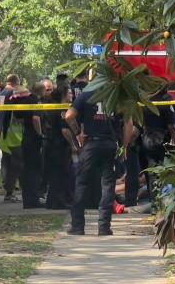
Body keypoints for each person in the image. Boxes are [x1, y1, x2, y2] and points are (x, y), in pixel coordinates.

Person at [66, 88, 133, 236]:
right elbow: (129, 124)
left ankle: (77, 226)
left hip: (90, 144)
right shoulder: (117, 95)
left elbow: (68, 115)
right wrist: (124, 147)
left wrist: (78, 133)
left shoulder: (86, 95)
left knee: (82, 183)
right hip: (109, 145)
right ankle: (104, 226)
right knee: (108, 186)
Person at [6, 83, 44, 208]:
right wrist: (40, 134)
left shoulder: (26, 101)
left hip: (26, 137)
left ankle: (28, 200)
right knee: (33, 170)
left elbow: (20, 118)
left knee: (27, 169)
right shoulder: (35, 100)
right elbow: (36, 119)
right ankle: (33, 200)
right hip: (33, 139)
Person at [43, 86, 72, 210]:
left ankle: (52, 201)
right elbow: (65, 130)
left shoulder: (53, 107)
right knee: (60, 174)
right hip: (59, 146)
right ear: (63, 95)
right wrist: (73, 144)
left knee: (55, 174)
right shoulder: (61, 109)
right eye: (69, 92)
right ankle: (58, 201)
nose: (71, 95)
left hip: (52, 145)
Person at [0, 74, 25, 203]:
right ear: (16, 82)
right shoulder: (12, 94)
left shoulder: (2, 92)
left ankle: (8, 190)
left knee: (6, 163)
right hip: (13, 135)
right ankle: (9, 191)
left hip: (4, 133)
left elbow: (1, 113)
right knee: (16, 165)